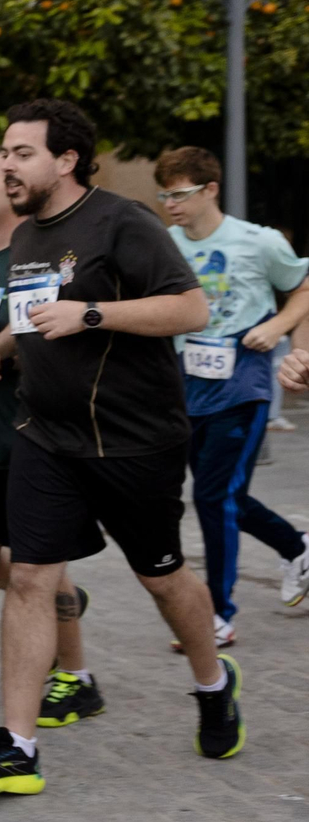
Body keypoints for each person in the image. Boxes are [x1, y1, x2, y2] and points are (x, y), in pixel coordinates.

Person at [0, 99, 243, 796]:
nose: (9, 166)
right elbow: (31, 325)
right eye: (6, 153)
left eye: (23, 154)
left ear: (66, 160)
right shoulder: (26, 237)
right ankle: (17, 749)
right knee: (29, 578)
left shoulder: (123, 222)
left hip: (133, 442)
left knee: (163, 579)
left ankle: (212, 681)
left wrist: (91, 313)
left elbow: (191, 308)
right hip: (47, 438)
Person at [0, 147, 104, 731]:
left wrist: (4, 359)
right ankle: (59, 611)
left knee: (40, 567)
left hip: (33, 437)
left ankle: (75, 678)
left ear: (12, 190)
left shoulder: (35, 256)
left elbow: (52, 345)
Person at [158, 147, 309, 625]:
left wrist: (280, 327)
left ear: (210, 190)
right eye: (164, 194)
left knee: (211, 497)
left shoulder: (259, 242)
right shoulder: (165, 244)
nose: (170, 204)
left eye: (179, 194)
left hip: (244, 385)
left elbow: (303, 286)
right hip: (186, 386)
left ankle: (217, 615)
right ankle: (297, 547)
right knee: (222, 494)